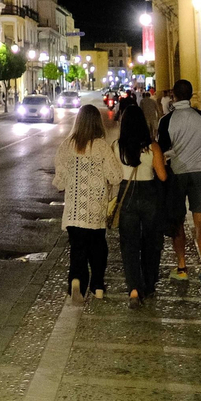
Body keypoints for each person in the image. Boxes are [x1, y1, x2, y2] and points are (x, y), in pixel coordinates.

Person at [54, 104, 123, 303]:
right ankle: (98, 286)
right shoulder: (101, 146)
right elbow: (115, 176)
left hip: (74, 210)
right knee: (98, 247)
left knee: (77, 248)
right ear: (97, 123)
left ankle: (76, 280)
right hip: (96, 209)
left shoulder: (67, 145)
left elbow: (60, 180)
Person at [157, 80, 201, 288]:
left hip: (177, 174)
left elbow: (161, 150)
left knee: (177, 221)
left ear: (173, 96)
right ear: (191, 95)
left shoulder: (167, 121)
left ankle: (182, 267)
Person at [113, 102, 169, 306]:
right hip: (149, 195)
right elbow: (162, 176)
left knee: (129, 244)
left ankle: (134, 289)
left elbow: (113, 175)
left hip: (126, 195)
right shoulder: (152, 146)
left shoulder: (117, 146)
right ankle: (149, 284)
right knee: (151, 241)